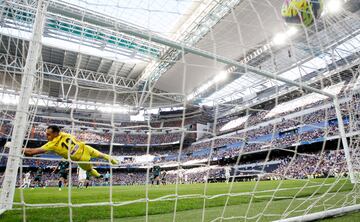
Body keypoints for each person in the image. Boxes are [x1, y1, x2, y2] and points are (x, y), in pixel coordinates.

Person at [6, 125, 118, 178]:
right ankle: (115, 162)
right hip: (86, 148)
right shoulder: (65, 133)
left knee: (90, 169)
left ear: (55, 133)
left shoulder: (52, 144)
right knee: (102, 155)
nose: (47, 135)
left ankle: (98, 176)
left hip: (81, 159)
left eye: (49, 134)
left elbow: (31, 152)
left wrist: (15, 147)